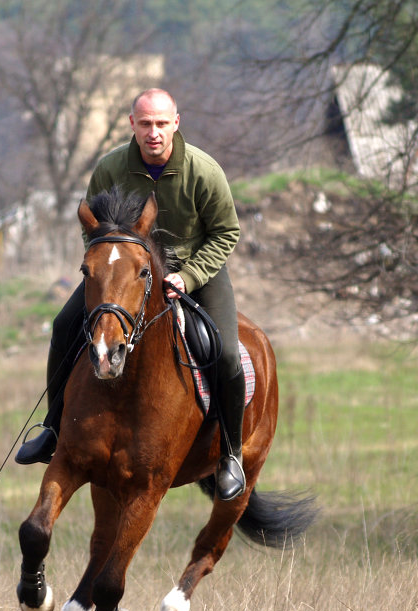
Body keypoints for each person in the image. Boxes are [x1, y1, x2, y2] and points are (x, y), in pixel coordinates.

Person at [15, 88, 246, 501]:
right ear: (132, 125)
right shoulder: (108, 168)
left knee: (226, 352)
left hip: (195, 272)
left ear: (176, 122)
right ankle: (52, 428)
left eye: (161, 123)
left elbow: (227, 233)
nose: (153, 132)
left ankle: (230, 453)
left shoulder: (204, 171)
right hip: (126, 275)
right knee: (64, 325)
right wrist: (115, 264)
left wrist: (189, 277)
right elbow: (94, 230)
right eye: (145, 124)